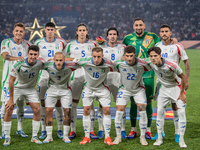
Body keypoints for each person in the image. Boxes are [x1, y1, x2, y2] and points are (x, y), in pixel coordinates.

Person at [122, 17, 177, 139]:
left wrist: (172, 40)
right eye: (136, 25)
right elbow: (123, 52)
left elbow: (163, 42)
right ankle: (133, 129)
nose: (139, 27)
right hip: (134, 75)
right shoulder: (127, 38)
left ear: (144, 26)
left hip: (148, 74)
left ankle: (147, 130)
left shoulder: (152, 37)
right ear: (133, 26)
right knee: (133, 102)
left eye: (140, 25)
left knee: (148, 102)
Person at [152, 24, 190, 142]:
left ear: (170, 33)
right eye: (162, 31)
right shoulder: (157, 46)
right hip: (161, 81)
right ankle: (160, 133)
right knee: (160, 107)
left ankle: (177, 132)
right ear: (160, 34)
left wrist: (187, 79)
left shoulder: (178, 46)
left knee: (175, 106)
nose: (164, 33)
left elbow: (186, 62)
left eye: (166, 31)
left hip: (176, 81)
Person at [72, 47, 115, 145]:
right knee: (86, 110)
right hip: (89, 89)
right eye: (94, 56)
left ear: (102, 56)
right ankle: (87, 137)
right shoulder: (85, 61)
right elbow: (73, 61)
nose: (96, 59)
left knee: (107, 110)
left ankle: (107, 136)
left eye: (99, 57)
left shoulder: (108, 64)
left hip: (102, 89)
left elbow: (120, 67)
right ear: (91, 55)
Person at [3, 45, 44, 146]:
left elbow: (52, 63)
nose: (33, 56)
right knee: (9, 108)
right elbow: (11, 81)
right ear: (27, 54)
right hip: (17, 88)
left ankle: (34, 137)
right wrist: (11, 99)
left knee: (37, 110)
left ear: (38, 55)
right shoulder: (18, 63)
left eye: (35, 54)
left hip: (30, 89)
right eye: (31, 54)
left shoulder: (40, 63)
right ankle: (7, 137)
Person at [147, 47, 187, 148]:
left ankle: (181, 139)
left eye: (155, 56)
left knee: (181, 112)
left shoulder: (171, 65)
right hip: (164, 89)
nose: (153, 58)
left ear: (160, 55)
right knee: (160, 111)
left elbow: (183, 77)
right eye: (151, 56)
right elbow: (138, 61)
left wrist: (182, 93)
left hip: (176, 88)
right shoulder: (151, 63)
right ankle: (159, 138)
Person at [64, 23, 98, 139]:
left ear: (87, 32)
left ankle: (91, 130)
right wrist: (74, 59)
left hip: (89, 77)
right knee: (74, 103)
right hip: (75, 76)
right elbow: (62, 57)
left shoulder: (93, 44)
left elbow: (98, 56)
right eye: (80, 30)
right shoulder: (70, 45)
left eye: (84, 30)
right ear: (77, 32)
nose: (82, 32)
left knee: (90, 103)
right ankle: (73, 130)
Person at [113, 46, 151, 146]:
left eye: (131, 56)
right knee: (119, 111)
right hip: (124, 89)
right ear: (124, 55)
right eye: (127, 56)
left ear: (135, 55)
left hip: (138, 90)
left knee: (143, 111)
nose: (129, 58)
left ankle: (142, 137)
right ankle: (118, 136)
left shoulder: (142, 64)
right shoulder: (119, 63)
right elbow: (112, 67)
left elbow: (153, 64)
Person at [34, 22, 66, 139]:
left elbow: (65, 57)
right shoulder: (38, 42)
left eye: (52, 29)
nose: (50, 31)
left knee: (58, 102)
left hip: (57, 76)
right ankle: (43, 129)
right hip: (43, 76)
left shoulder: (61, 42)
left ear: (55, 30)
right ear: (45, 30)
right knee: (43, 102)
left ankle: (60, 129)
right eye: (48, 29)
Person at [0, 23, 31, 139]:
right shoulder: (6, 42)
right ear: (13, 32)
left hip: (22, 80)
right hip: (8, 80)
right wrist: (17, 58)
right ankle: (4, 130)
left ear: (24, 33)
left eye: (21, 31)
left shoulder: (27, 45)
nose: (18, 33)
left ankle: (20, 128)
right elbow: (5, 56)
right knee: (5, 105)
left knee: (20, 104)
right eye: (16, 31)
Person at [42, 52, 79, 144]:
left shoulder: (70, 66)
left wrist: (73, 59)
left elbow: (83, 62)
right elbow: (37, 64)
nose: (58, 62)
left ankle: (65, 135)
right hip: (51, 90)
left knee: (67, 111)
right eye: (56, 60)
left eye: (61, 60)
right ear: (53, 60)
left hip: (65, 90)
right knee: (48, 111)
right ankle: (49, 136)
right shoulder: (48, 65)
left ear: (64, 60)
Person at [97, 27, 126, 139]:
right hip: (105, 79)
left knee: (121, 104)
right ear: (107, 36)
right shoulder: (101, 47)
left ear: (117, 36)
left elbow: (127, 58)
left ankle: (122, 129)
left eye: (114, 34)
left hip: (119, 78)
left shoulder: (123, 47)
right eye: (110, 34)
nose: (112, 36)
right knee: (102, 105)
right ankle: (100, 129)